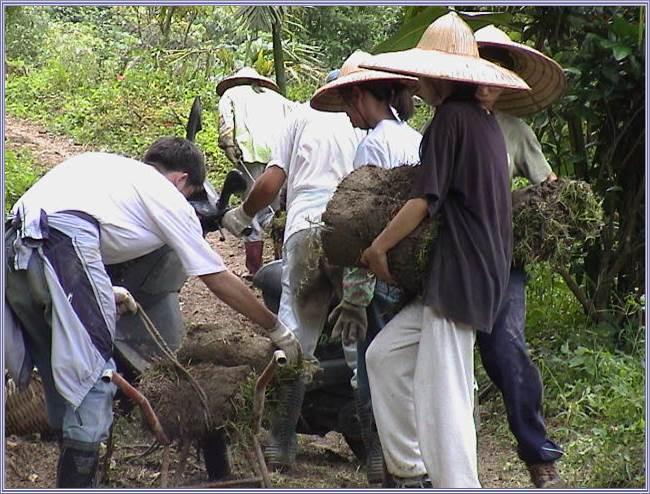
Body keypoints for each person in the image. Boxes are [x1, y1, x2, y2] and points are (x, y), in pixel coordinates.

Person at [4, 137, 302, 488]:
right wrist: (277, 328)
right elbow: (217, 278)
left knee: (59, 379)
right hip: (63, 247)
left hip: (13, 249)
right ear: (181, 181)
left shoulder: (108, 169)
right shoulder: (167, 197)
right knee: (95, 383)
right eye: (190, 193)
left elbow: (63, 231)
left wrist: (103, 288)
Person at [358, 12, 529, 487]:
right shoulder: (481, 119)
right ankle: (412, 469)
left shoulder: (451, 119)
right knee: (385, 358)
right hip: (469, 268)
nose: (416, 85)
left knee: (444, 392)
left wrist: (378, 248)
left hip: (464, 270)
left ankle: (458, 484)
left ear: (440, 76)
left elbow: (422, 202)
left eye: (423, 75)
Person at [221, 83, 365, 470]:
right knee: (358, 345)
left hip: (306, 227)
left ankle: (281, 439)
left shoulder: (300, 115)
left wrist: (244, 214)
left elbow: (271, 181)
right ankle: (381, 456)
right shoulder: (374, 119)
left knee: (295, 336)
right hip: (353, 231)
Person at [311, 49, 423, 486]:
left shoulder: (373, 143)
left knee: (369, 367)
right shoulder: (411, 137)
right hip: (408, 273)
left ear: (360, 97)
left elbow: (362, 224)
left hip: (379, 273)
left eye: (346, 105)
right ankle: (407, 460)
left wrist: (355, 295)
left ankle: (383, 467)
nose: (347, 116)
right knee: (404, 370)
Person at [473, 24, 566, 488]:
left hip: (505, 261)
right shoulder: (448, 125)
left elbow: (545, 187)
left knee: (507, 347)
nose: (488, 80)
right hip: (455, 259)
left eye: (498, 71)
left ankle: (536, 451)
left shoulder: (516, 130)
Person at [217, 67, 296, 277]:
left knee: (250, 209)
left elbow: (225, 125)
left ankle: (255, 268)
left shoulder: (230, 95)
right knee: (278, 210)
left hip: (250, 154)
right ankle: (282, 263)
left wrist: (228, 146)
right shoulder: (278, 99)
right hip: (280, 157)